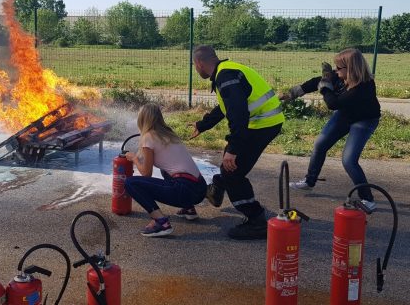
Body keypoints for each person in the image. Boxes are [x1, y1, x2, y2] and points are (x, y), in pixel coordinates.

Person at [189, 45, 284, 240]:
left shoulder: (226, 77)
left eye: (194, 66)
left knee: (232, 171)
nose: (196, 69)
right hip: (263, 122)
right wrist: (203, 124)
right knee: (229, 165)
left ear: (199, 63)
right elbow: (227, 106)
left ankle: (256, 220)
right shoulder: (226, 70)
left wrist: (233, 148)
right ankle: (217, 188)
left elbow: (238, 114)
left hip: (262, 124)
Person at [281, 48, 380, 211]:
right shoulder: (338, 76)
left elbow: (333, 103)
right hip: (345, 115)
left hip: (364, 120)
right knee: (320, 144)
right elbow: (315, 82)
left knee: (349, 160)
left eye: (339, 68)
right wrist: (291, 94)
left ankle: (367, 199)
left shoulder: (365, 86)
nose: (335, 71)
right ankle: (309, 181)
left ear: (352, 68)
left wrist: (325, 87)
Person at [124, 103, 207, 237]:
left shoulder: (148, 137)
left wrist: (134, 158)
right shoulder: (168, 133)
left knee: (130, 183)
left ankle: (161, 222)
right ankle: (189, 209)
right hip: (200, 188)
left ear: (143, 119)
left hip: (185, 190)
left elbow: (146, 173)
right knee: (166, 171)